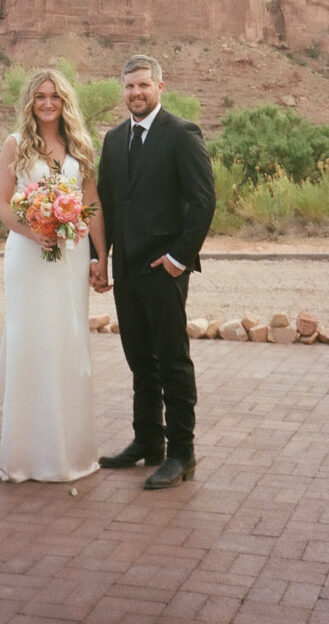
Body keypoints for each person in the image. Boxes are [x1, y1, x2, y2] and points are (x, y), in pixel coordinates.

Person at [93, 54, 215, 490]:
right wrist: (100, 257)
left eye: (143, 85)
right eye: (128, 87)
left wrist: (179, 259)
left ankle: (182, 453)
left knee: (172, 362)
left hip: (164, 270)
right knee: (140, 361)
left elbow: (203, 202)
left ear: (160, 87)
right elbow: (105, 203)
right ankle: (148, 442)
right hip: (126, 270)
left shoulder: (182, 134)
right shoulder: (113, 139)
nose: (135, 93)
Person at [0, 68, 107, 483]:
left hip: (71, 258)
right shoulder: (16, 145)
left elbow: (91, 202)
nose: (47, 102)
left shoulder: (80, 145)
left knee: (68, 341)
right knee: (31, 341)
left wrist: (101, 259)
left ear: (65, 102)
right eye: (40, 95)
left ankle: (71, 454)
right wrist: (33, 231)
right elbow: (2, 204)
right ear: (30, 100)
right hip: (28, 257)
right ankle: (25, 458)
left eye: (54, 96)